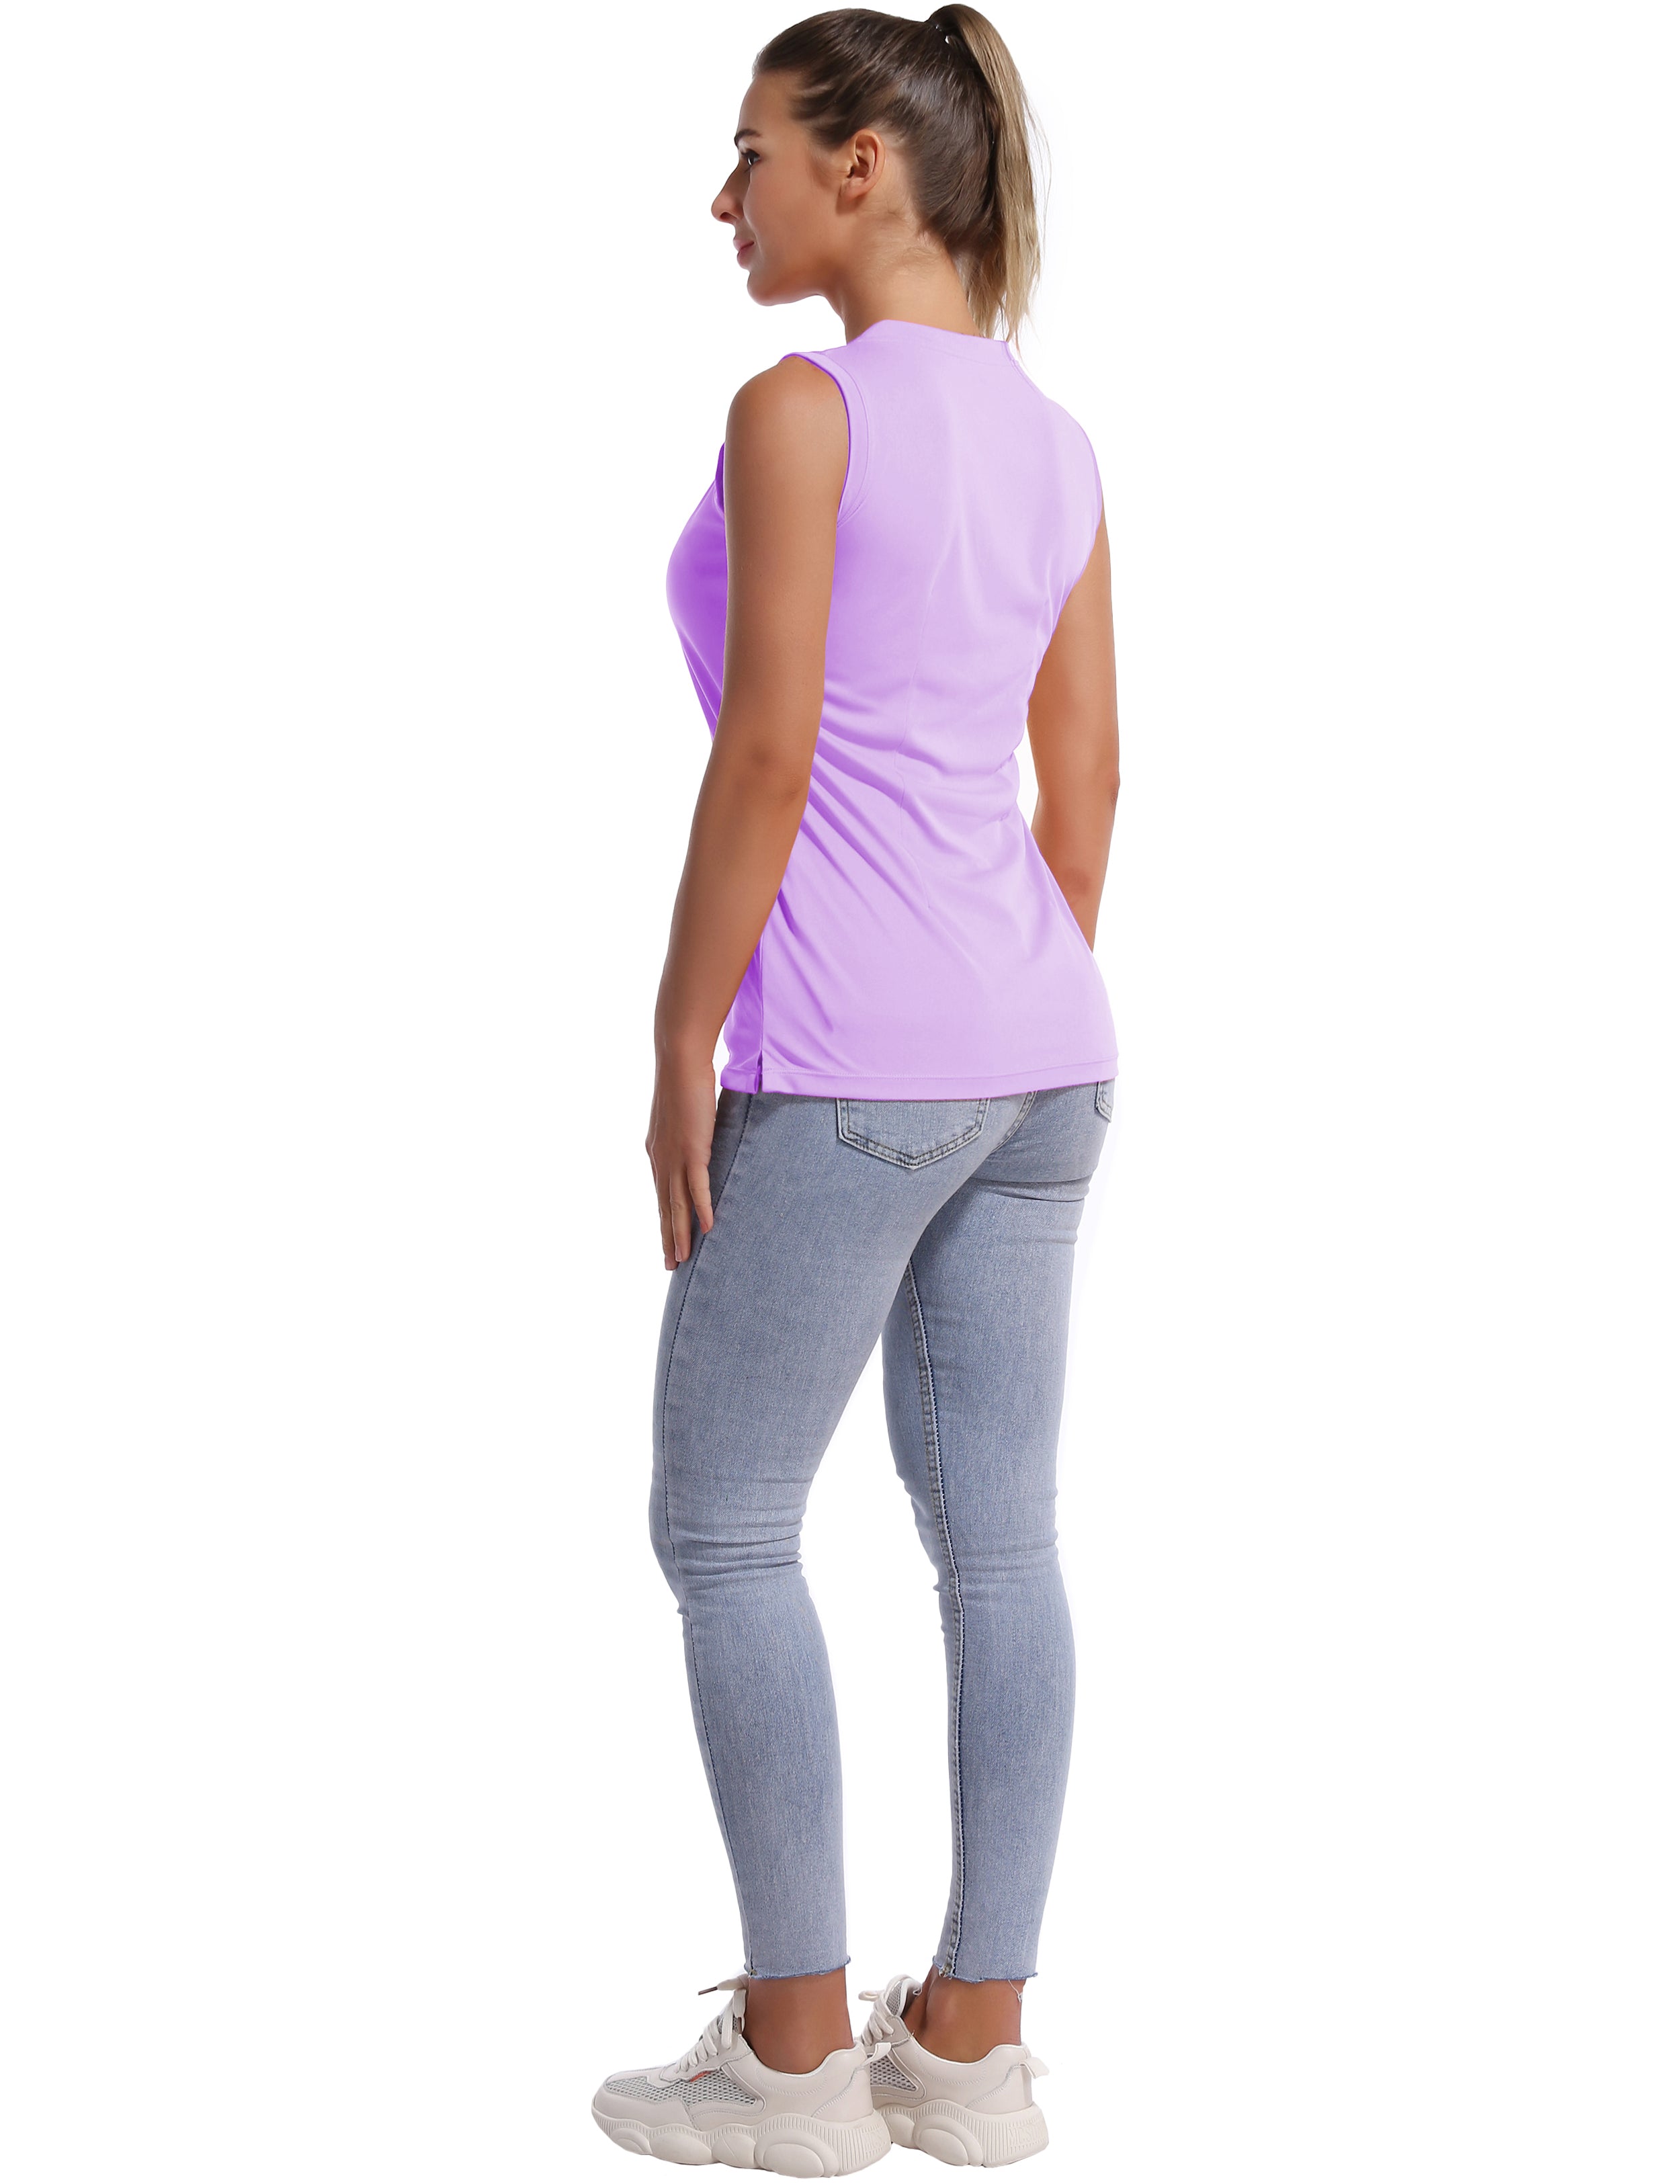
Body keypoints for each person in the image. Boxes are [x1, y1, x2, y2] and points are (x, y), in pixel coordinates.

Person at [592, 9, 1120, 2171]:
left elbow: (769, 748)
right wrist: (996, 1000)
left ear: (862, 169)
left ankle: (798, 2055)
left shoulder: (799, 410)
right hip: (1045, 1052)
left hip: (844, 1055)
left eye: (749, 154)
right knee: (998, 1539)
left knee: (723, 1524)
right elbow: (1084, 782)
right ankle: (970, 2046)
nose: (720, 199)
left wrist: (679, 1037)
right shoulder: (1055, 440)